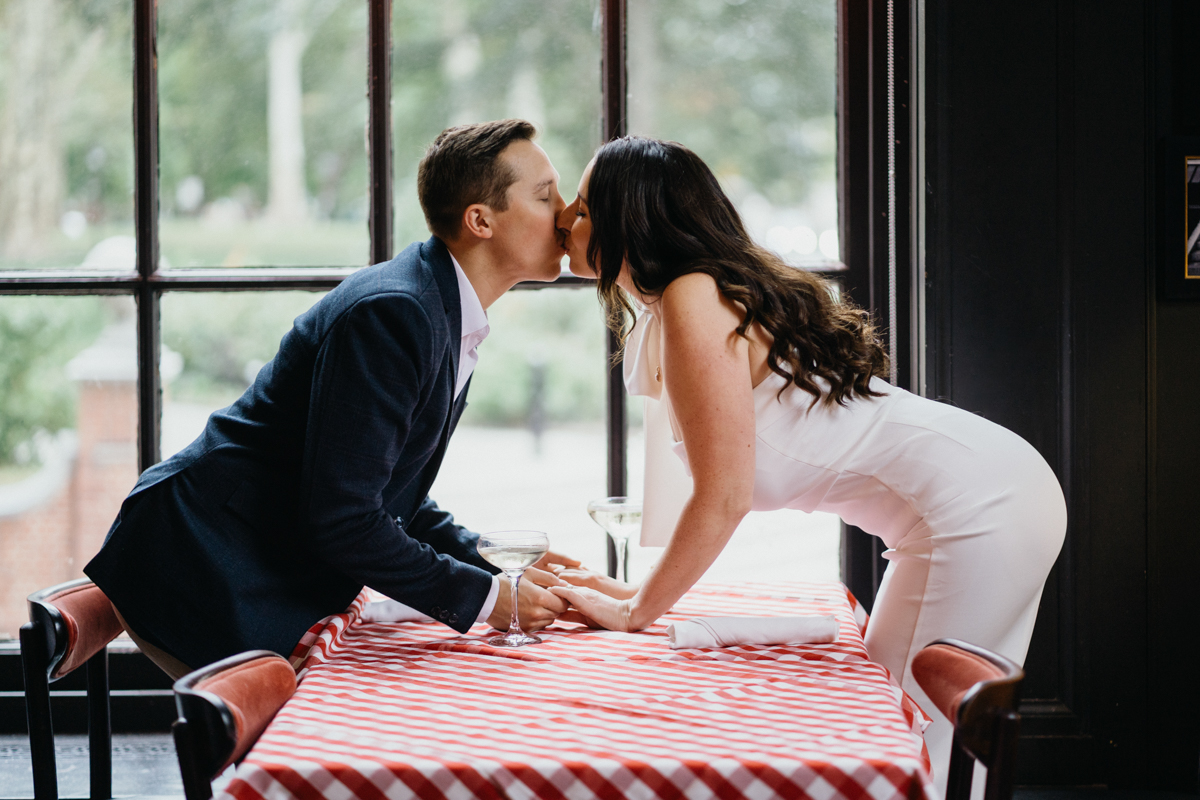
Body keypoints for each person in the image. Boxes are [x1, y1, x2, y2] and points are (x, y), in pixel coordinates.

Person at [548, 136, 1067, 793]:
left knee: (903, 740)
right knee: (908, 736)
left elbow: (723, 495)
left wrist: (635, 613)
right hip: (983, 489)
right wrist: (631, 595)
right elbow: (709, 485)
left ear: (634, 219)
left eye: (585, 206)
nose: (567, 218)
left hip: (980, 499)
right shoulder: (681, 300)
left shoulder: (692, 295)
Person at [85, 119, 576, 678]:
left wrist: (495, 561)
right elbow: (344, 519)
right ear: (480, 219)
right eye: (545, 195)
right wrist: (488, 599)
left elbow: (385, 492)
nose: (565, 213)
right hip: (196, 563)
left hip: (245, 562)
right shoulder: (398, 313)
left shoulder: (439, 307)